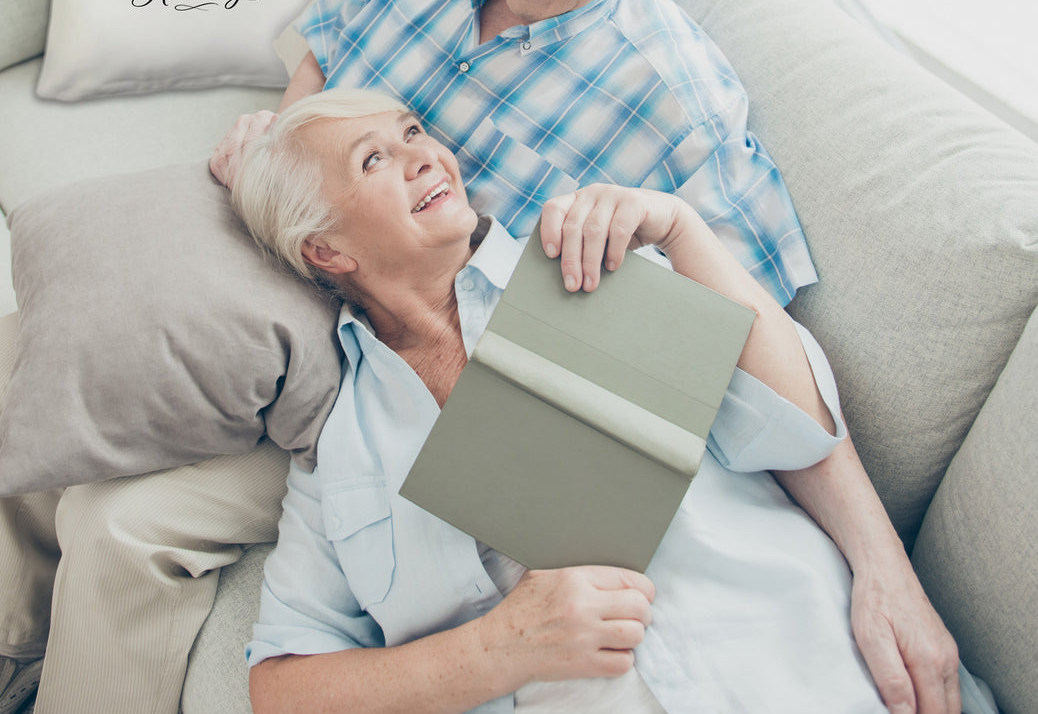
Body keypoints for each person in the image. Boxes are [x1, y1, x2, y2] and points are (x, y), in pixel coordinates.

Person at [212, 0, 960, 713]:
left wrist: (882, 567)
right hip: (316, 336)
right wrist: (285, 161)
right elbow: (324, 53)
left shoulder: (656, 157)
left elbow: (768, 385)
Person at [231, 89, 986, 714]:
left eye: (413, 132)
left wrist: (682, 231)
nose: (425, 154)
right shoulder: (340, 451)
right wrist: (497, 650)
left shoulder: (586, 262)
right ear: (326, 250)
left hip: (808, 667)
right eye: (375, 159)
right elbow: (282, 687)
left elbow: (797, 429)